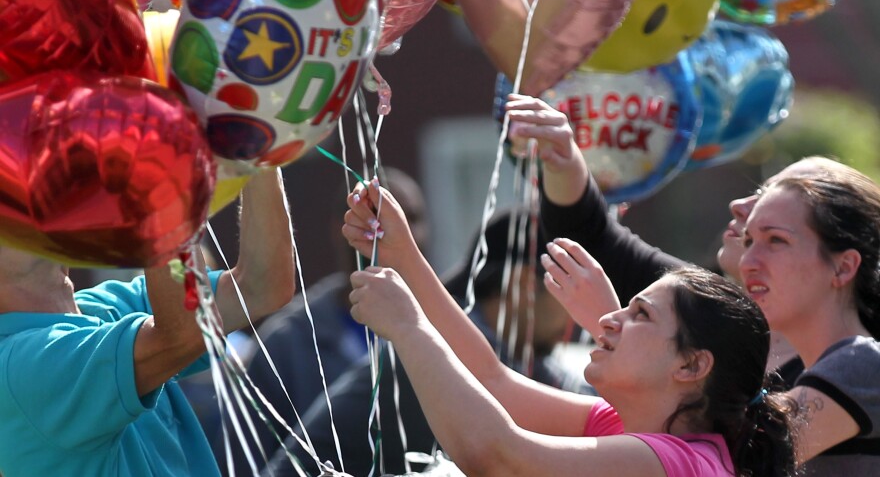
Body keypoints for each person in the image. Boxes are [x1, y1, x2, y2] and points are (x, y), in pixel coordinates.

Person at [340, 181, 797, 477]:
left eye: (639, 314)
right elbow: (493, 379)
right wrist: (403, 255)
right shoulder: (632, 427)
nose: (609, 319)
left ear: (692, 365)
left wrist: (409, 328)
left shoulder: (675, 461)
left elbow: (497, 457)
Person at [503, 93, 852, 382]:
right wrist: (563, 158)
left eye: (775, 212)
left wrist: (612, 326)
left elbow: (736, 451)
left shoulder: (850, 368)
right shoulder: (695, 300)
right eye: (759, 191)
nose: (741, 206)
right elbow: (590, 238)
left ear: (844, 266)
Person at [0, 168, 296, 477]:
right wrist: (162, 190)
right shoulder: (18, 369)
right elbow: (184, 333)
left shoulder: (101, 310)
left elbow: (263, 287)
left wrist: (262, 148)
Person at [261, 208, 589, 477]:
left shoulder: (496, 352)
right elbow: (501, 436)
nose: (575, 319)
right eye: (568, 291)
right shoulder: (442, 352)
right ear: (523, 287)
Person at [211, 167, 429, 475]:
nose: (389, 232)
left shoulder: (447, 333)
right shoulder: (286, 344)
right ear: (339, 227)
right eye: (371, 217)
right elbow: (239, 461)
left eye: (411, 219)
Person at [740, 171, 880, 474]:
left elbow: (731, 460)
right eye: (748, 240)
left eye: (776, 240)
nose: (748, 261)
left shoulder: (864, 364)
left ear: (843, 268)